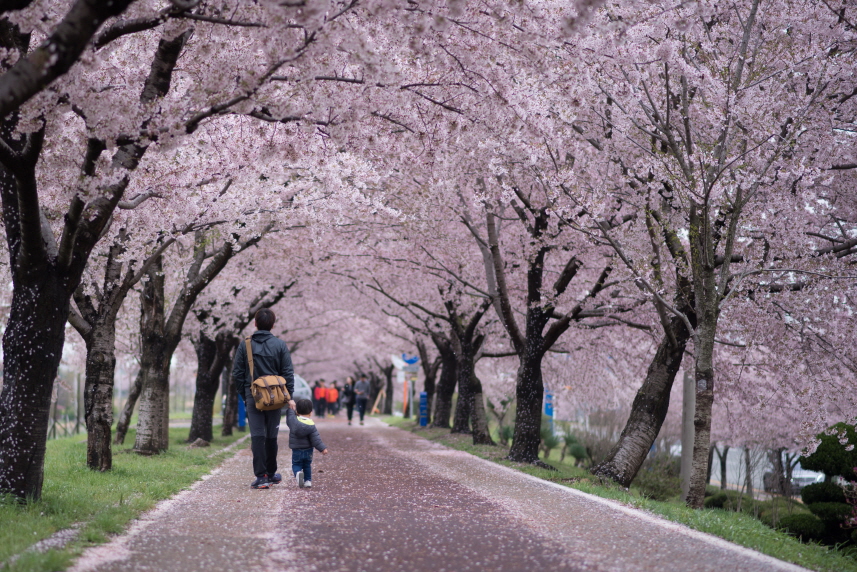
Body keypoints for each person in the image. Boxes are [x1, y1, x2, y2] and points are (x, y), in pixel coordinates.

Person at [232, 308, 295, 489]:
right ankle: (271, 473)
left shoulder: (246, 345)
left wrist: (245, 395)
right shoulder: (280, 345)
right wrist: (287, 396)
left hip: (253, 395)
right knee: (271, 436)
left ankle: (261, 477)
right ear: (273, 324)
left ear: (255, 323)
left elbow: (237, 373)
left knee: (257, 435)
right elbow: (288, 373)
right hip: (275, 396)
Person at [285, 398, 329, 488]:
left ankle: (297, 474)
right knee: (307, 465)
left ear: (297, 411)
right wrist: (322, 448)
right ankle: (308, 481)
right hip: (308, 450)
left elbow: (290, 417)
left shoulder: (293, 421)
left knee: (296, 464)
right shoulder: (311, 425)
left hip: (297, 450)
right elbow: (316, 439)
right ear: (310, 412)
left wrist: (290, 409)